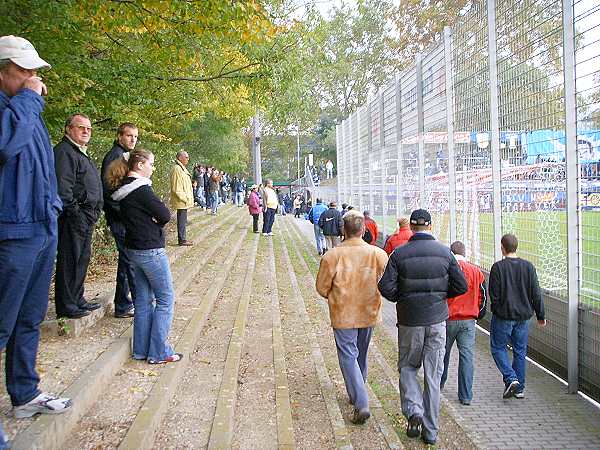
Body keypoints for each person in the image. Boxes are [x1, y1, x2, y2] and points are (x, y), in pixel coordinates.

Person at [0, 35, 72, 435]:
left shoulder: (25, 110)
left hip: (41, 227)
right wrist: (29, 100)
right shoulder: (21, 108)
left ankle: (25, 393)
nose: (33, 79)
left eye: (34, 72)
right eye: (23, 71)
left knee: (30, 319)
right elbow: (6, 146)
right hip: (11, 233)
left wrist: (52, 212)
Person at [378, 209, 467, 445]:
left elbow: (385, 287)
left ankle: (413, 410)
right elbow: (461, 286)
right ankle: (431, 431)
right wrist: (440, 297)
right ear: (430, 226)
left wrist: (403, 297)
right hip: (437, 320)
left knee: (408, 367)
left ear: (412, 227)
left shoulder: (399, 254)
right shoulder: (445, 253)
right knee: (433, 375)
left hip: (409, 320)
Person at [108, 150, 183, 364]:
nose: (153, 167)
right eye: (151, 163)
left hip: (133, 249)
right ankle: (159, 352)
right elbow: (165, 214)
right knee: (165, 299)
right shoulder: (141, 189)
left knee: (142, 301)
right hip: (150, 250)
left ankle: (141, 350)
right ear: (140, 164)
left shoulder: (123, 190)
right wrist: (155, 221)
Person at [316, 211, 388, 425]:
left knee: (348, 355)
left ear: (342, 229)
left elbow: (321, 287)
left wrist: (336, 295)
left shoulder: (332, 256)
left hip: (343, 312)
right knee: (361, 354)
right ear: (364, 230)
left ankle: (360, 399)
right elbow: (386, 282)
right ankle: (357, 391)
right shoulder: (378, 254)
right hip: (369, 310)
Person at [54, 113, 103, 319]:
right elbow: (64, 188)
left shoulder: (80, 152)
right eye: (81, 127)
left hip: (86, 216)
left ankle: (77, 298)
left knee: (81, 258)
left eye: (89, 129)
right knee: (70, 259)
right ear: (68, 129)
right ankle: (67, 305)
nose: (85, 131)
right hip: (74, 217)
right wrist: (76, 214)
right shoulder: (65, 151)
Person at [489, 233, 545, 399]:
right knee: (520, 351)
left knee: (498, 348)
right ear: (516, 247)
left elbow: (494, 295)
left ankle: (511, 378)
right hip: (523, 317)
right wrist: (540, 314)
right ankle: (519, 388)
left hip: (504, 317)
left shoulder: (498, 268)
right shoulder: (528, 267)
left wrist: (497, 310)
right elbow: (536, 293)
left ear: (502, 248)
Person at [440, 241, 487, 406]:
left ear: (451, 253)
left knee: (442, 354)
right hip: (468, 320)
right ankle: (466, 395)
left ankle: (438, 386)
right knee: (467, 357)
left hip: (448, 318)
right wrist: (478, 314)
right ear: (465, 253)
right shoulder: (476, 271)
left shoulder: (447, 269)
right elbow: (483, 295)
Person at [101, 122, 139, 318]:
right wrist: (128, 215)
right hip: (120, 219)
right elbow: (111, 193)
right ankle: (125, 305)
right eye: (129, 135)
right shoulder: (115, 156)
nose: (133, 139)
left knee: (126, 262)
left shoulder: (123, 156)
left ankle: (123, 303)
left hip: (123, 218)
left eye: (135, 136)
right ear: (119, 136)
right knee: (128, 260)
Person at [169, 150, 194, 246]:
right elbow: (176, 188)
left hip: (184, 200)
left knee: (183, 220)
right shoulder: (177, 169)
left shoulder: (181, 169)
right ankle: (182, 240)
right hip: (181, 200)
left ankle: (183, 239)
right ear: (180, 158)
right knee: (181, 220)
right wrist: (185, 198)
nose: (188, 159)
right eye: (186, 157)